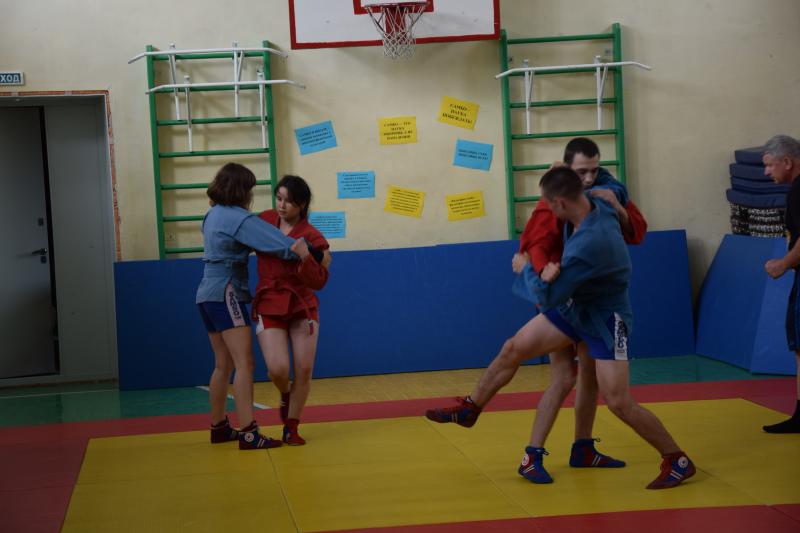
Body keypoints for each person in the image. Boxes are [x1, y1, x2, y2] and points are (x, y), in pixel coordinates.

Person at [426, 166, 695, 490]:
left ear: (562, 203)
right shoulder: (598, 198)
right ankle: (472, 408)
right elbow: (606, 182)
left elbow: (549, 295)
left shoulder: (589, 243)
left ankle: (677, 459)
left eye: (549, 205)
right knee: (514, 347)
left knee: (618, 401)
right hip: (577, 309)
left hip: (607, 320)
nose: (548, 213)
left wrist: (526, 269)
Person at [510, 137, 648, 482]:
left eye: (593, 170)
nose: (588, 178)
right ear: (566, 173)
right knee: (561, 378)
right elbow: (533, 243)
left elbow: (636, 230)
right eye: (581, 172)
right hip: (560, 296)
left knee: (589, 377)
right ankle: (531, 454)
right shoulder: (555, 201)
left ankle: (583, 448)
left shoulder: (603, 193)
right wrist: (538, 271)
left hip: (592, 306)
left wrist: (617, 203)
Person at [197, 162, 307, 450]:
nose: (251, 195)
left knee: (222, 364)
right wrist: (309, 252)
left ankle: (219, 427)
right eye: (249, 189)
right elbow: (279, 243)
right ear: (241, 190)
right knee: (244, 363)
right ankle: (249, 432)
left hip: (206, 292)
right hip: (226, 291)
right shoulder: (238, 218)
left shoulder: (211, 214)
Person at [253, 175, 331, 445]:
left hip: (302, 306)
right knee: (277, 369)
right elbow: (237, 230)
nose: (282, 205)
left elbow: (320, 280)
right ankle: (285, 392)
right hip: (269, 303)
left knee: (304, 369)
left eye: (288, 201)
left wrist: (306, 256)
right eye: (279, 198)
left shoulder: (312, 235)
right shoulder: (263, 221)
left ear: (302, 205)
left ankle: (292, 426)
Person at [762, 134, 800, 433]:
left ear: (787, 162)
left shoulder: (798, 190)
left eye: (770, 165)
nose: (766, 172)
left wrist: (783, 263)